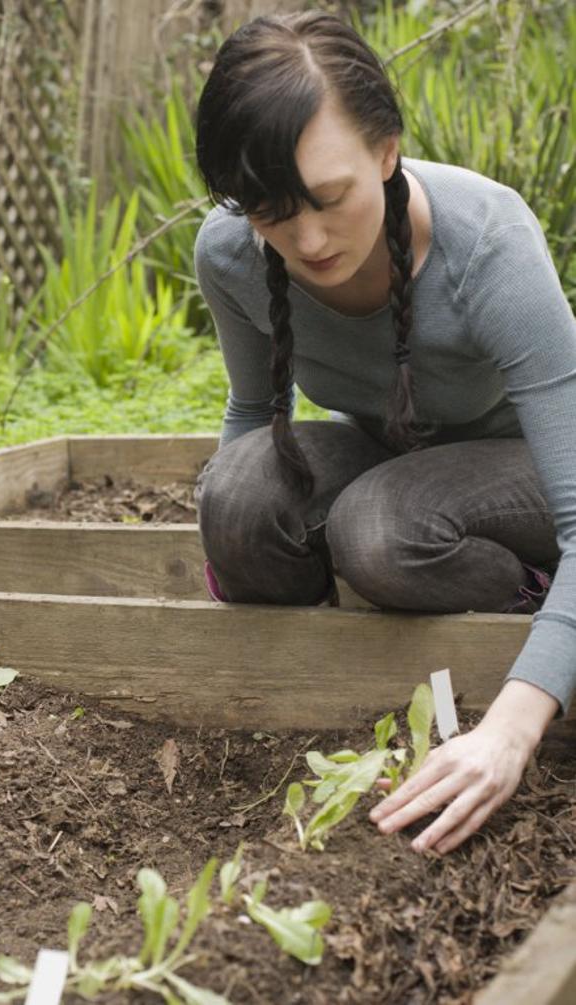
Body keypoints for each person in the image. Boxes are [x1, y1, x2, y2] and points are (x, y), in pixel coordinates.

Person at [191, 10, 574, 854]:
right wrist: (228, 536)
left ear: (387, 151)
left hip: (534, 477)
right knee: (241, 498)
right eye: (270, 211)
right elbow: (257, 415)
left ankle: (533, 597)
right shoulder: (228, 255)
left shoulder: (490, 247)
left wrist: (512, 726)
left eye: (330, 199)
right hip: (399, 453)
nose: (309, 239)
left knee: (381, 531)